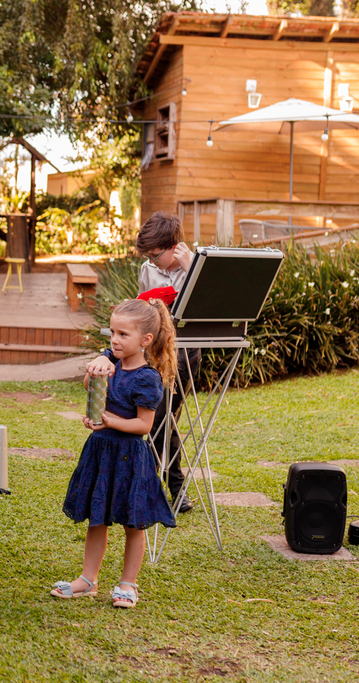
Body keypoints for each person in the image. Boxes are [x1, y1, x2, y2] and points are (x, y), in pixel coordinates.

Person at [51, 298, 178, 608]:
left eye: (123, 334)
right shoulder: (112, 364)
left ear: (145, 340)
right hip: (101, 452)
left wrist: (110, 421)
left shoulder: (147, 378)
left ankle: (128, 584)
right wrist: (98, 365)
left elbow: (143, 425)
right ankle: (88, 580)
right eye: (112, 333)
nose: (115, 340)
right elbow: (88, 386)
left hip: (130, 457)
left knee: (133, 524)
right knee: (97, 518)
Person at [134, 211, 200, 513]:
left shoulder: (196, 265)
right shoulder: (148, 269)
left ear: (174, 247)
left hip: (186, 352)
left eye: (155, 255)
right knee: (161, 416)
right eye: (148, 256)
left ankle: (150, 487)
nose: (152, 261)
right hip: (156, 350)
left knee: (164, 416)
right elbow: (143, 309)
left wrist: (192, 269)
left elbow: (206, 308)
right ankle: (173, 489)